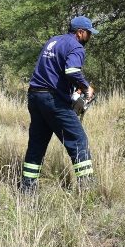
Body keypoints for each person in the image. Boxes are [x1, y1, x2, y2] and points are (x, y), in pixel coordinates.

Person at [21, 16, 96, 192]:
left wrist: (73, 90)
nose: (90, 37)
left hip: (35, 96)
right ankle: (88, 190)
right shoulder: (76, 46)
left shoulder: (53, 41)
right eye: (89, 33)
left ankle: (27, 190)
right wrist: (85, 87)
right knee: (78, 140)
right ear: (80, 32)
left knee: (37, 144)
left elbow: (52, 71)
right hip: (51, 100)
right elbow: (71, 70)